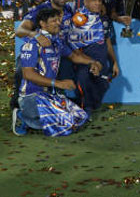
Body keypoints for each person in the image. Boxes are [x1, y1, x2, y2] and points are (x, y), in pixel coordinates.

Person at [13, 8, 99, 136]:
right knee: (66, 123)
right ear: (43, 23)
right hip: (32, 97)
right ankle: (22, 115)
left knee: (80, 116)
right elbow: (28, 74)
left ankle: (39, 119)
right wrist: (58, 83)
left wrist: (93, 62)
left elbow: (75, 56)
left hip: (50, 95)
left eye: (59, 20)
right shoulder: (32, 44)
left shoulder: (57, 42)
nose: (59, 23)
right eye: (54, 21)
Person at [65, 0, 119, 114]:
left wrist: (115, 62)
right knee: (84, 80)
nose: (97, 3)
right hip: (85, 61)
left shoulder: (104, 19)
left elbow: (107, 41)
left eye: (100, 0)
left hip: (102, 61)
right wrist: (91, 62)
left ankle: (79, 106)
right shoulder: (78, 19)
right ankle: (84, 111)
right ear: (86, 2)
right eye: (94, 0)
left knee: (101, 89)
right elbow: (73, 46)